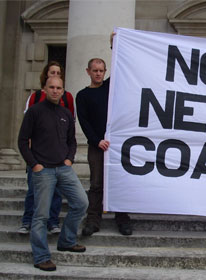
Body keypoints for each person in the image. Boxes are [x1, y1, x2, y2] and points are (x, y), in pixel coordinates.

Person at [18, 77, 88, 271]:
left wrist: (69, 159)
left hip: (63, 168)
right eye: (52, 87)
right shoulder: (34, 112)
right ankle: (41, 256)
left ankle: (67, 240)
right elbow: (23, 141)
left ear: (63, 90)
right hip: (43, 171)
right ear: (44, 89)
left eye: (59, 88)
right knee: (41, 215)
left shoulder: (66, 113)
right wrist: (34, 165)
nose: (55, 91)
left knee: (81, 203)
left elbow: (72, 141)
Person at [76, 58, 132, 236]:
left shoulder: (109, 88)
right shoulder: (82, 96)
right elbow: (84, 123)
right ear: (88, 72)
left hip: (115, 146)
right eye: (95, 70)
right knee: (96, 184)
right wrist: (96, 140)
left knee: (118, 182)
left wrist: (113, 44)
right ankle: (93, 220)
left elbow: (119, 63)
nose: (98, 73)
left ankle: (122, 218)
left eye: (101, 70)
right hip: (96, 146)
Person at [18, 61, 75, 235]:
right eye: (52, 73)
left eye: (58, 73)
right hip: (38, 160)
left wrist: (68, 159)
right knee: (33, 193)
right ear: (45, 79)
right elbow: (24, 136)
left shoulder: (66, 102)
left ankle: (53, 221)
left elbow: (71, 136)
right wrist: (33, 162)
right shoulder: (35, 102)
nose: (55, 75)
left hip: (59, 161)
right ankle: (27, 221)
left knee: (57, 194)